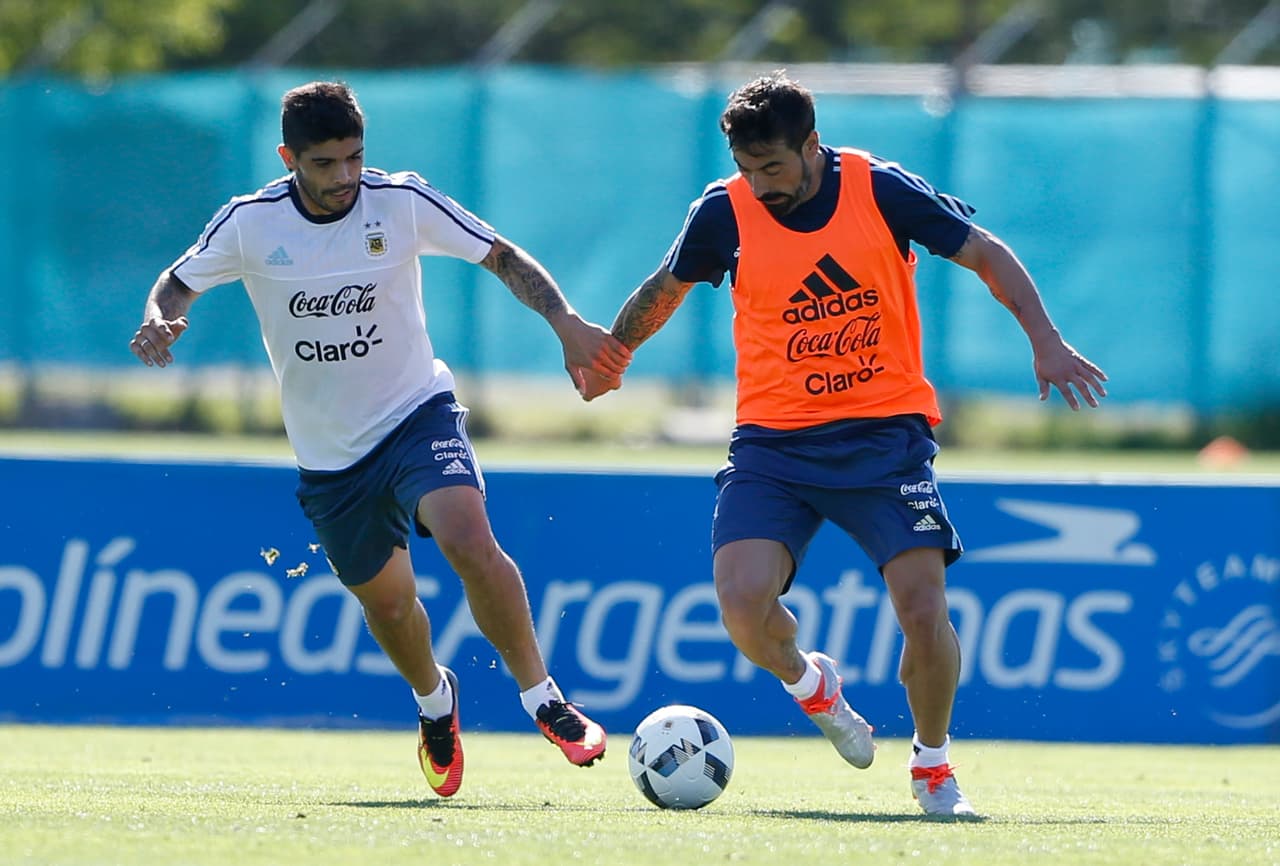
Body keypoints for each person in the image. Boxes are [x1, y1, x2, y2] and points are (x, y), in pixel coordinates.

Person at [581, 71, 1106, 818]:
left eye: (773, 167)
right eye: (746, 168)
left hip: (884, 438)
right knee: (739, 605)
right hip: (772, 444)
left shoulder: (879, 189)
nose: (759, 184)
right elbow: (666, 288)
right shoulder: (722, 212)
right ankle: (811, 686)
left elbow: (986, 252)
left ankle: (932, 769)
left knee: (924, 609)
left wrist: (1046, 340)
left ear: (811, 146)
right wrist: (613, 357)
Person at [129, 80, 632, 798]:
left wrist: (567, 324)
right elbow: (177, 283)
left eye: (354, 159)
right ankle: (435, 703)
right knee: (390, 605)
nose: (343, 178)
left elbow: (503, 256)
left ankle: (543, 698)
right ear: (288, 157)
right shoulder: (249, 223)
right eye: (325, 163)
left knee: (466, 536)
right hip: (331, 458)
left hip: (416, 412)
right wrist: (158, 317)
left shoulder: (400, 201)